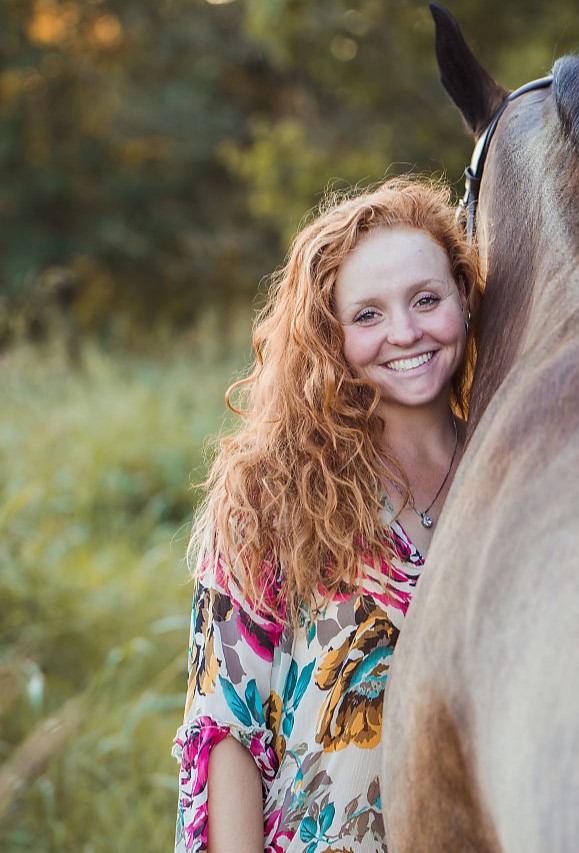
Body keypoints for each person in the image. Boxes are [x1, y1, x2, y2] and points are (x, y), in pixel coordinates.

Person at [173, 177, 481, 853]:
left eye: (426, 299)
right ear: (328, 335)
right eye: (367, 315)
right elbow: (227, 723)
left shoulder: (513, 470)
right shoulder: (270, 490)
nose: (404, 332)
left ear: (464, 297)